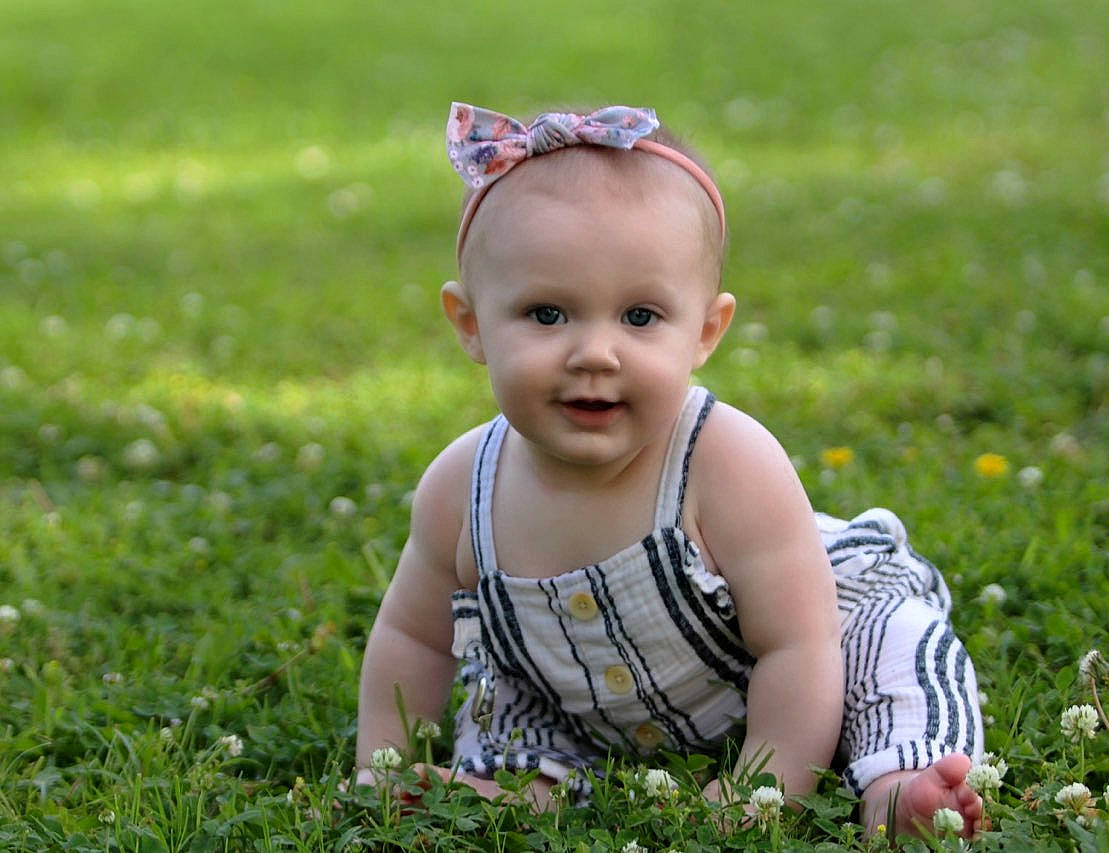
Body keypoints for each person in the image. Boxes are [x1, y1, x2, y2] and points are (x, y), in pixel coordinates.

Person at [355, 102, 984, 838]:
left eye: (640, 317)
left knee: (896, 648)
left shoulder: (728, 461)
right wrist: (380, 768)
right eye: (548, 314)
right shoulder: (462, 489)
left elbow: (798, 645)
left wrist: (768, 787)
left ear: (706, 331)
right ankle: (521, 792)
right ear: (471, 325)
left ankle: (897, 782)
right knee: (505, 696)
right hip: (587, 706)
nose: (595, 353)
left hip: (815, 642)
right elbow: (414, 637)